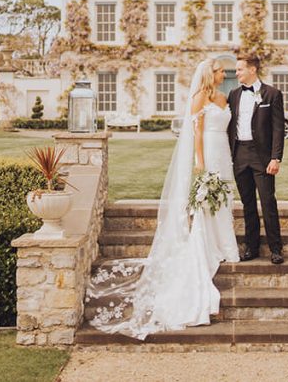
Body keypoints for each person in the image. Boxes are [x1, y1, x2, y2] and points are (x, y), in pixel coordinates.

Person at [85, 58, 239, 340]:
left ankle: (225, 242)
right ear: (210, 74)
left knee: (224, 199)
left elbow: (227, 129)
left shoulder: (224, 96)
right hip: (208, 153)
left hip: (224, 153)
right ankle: (209, 243)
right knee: (207, 201)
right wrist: (200, 163)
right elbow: (197, 133)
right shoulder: (199, 97)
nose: (224, 74)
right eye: (220, 71)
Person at [227, 54, 286, 265]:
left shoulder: (272, 94)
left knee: (268, 202)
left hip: (262, 157)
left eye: (239, 70)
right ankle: (251, 247)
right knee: (247, 204)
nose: (236, 74)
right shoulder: (233, 95)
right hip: (239, 155)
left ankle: (276, 249)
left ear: (252, 70)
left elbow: (278, 129)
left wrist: (275, 158)